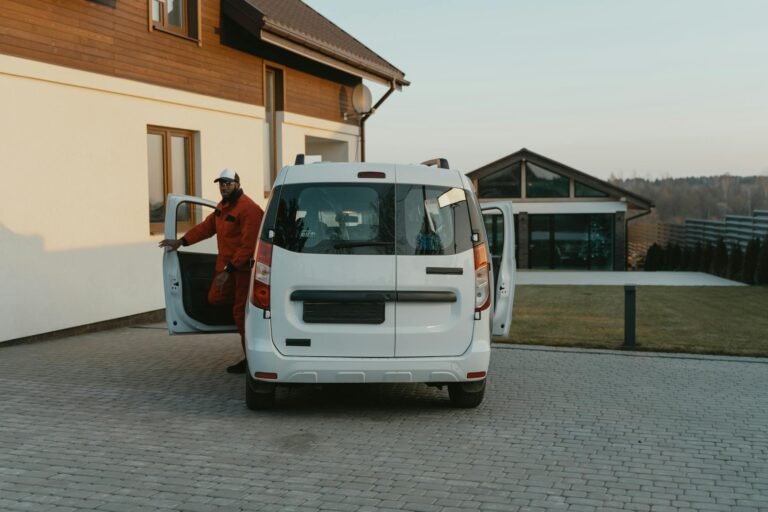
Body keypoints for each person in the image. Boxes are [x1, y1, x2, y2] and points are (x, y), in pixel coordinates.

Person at [159, 168, 264, 374]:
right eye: (221, 183)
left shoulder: (248, 209)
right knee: (215, 298)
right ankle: (243, 320)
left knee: (240, 314)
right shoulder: (222, 207)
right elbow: (206, 228)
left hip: (241, 271)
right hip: (226, 268)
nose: (224, 187)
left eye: (227, 183)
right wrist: (182, 241)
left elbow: (248, 246)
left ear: (237, 184)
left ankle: (251, 360)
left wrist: (229, 270)